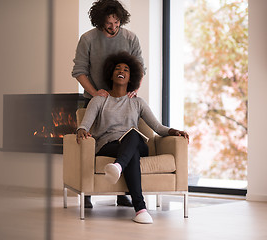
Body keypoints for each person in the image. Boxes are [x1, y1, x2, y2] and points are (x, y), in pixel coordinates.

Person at [76, 52, 189, 224]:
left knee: (134, 136)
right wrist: (81, 130)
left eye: (126, 69)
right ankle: (140, 209)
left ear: (131, 78)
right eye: (117, 69)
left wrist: (175, 131)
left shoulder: (137, 102)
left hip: (133, 141)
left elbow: (158, 127)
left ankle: (118, 166)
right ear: (111, 74)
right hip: (109, 145)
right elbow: (85, 124)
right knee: (133, 153)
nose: (121, 71)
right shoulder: (99, 100)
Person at [72, 0, 145, 208]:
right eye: (108, 24)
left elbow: (140, 68)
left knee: (126, 138)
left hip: (123, 99)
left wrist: (133, 90)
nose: (113, 27)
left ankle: (122, 194)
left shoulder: (131, 38)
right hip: (96, 99)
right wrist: (97, 94)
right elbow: (79, 71)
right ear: (99, 22)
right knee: (91, 142)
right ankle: (87, 194)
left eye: (116, 22)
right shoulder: (88, 39)